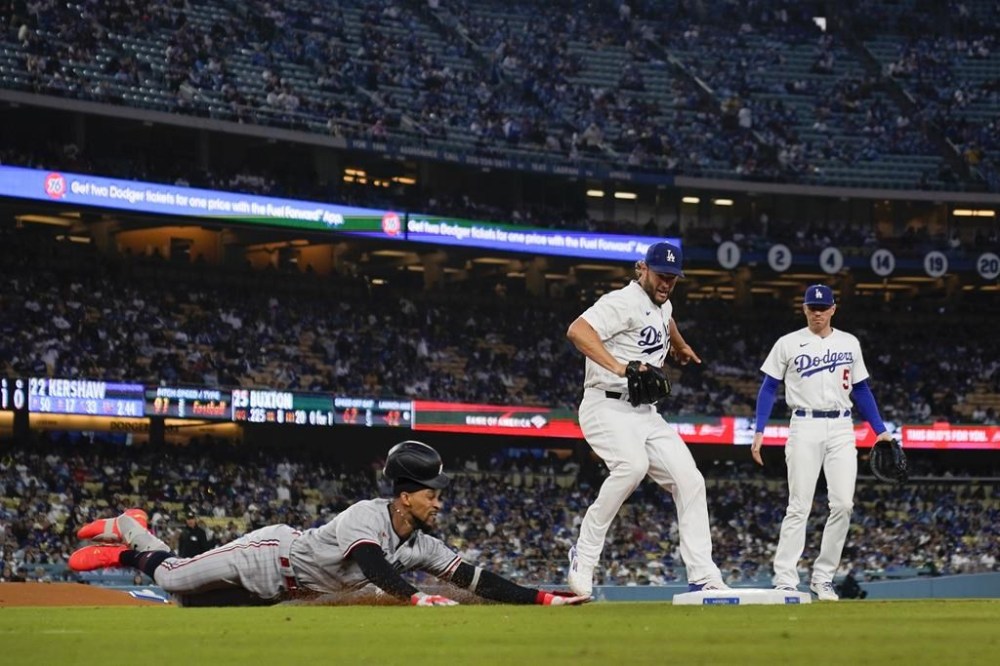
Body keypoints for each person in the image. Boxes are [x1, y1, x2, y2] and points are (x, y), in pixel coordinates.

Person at [68, 440, 588, 608]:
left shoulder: (425, 544)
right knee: (174, 577)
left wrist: (544, 598)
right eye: (432, 495)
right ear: (404, 497)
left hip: (285, 592)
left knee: (185, 604)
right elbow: (371, 562)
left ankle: (131, 538)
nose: (439, 504)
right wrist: (413, 597)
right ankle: (129, 535)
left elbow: (477, 580)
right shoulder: (367, 514)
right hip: (269, 553)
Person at [564, 241, 727, 597]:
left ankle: (703, 575)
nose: (666, 283)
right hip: (604, 404)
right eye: (660, 275)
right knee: (632, 466)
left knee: (689, 480)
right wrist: (621, 367)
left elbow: (665, 318)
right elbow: (578, 331)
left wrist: (680, 345)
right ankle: (585, 554)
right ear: (643, 269)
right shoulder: (620, 302)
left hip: (644, 412)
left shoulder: (662, 301)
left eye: (673, 277)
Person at [751, 284, 895, 601]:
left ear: (833, 309)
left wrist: (879, 429)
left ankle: (823, 577)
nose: (817, 313)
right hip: (804, 424)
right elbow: (768, 387)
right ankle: (785, 579)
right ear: (804, 309)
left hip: (842, 426)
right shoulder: (788, 343)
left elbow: (861, 390)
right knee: (799, 505)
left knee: (844, 504)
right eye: (812, 308)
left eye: (823, 307)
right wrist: (759, 429)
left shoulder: (849, 343)